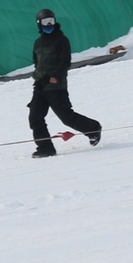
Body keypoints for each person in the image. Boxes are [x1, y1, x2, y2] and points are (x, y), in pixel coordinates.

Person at [29, 8, 102, 158]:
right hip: (41, 86)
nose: (49, 25)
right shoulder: (38, 43)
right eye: (45, 22)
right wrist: (37, 76)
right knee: (35, 117)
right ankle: (45, 148)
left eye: (51, 21)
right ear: (39, 24)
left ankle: (93, 128)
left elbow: (65, 61)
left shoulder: (61, 40)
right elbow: (37, 63)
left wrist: (55, 76)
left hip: (56, 86)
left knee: (66, 117)